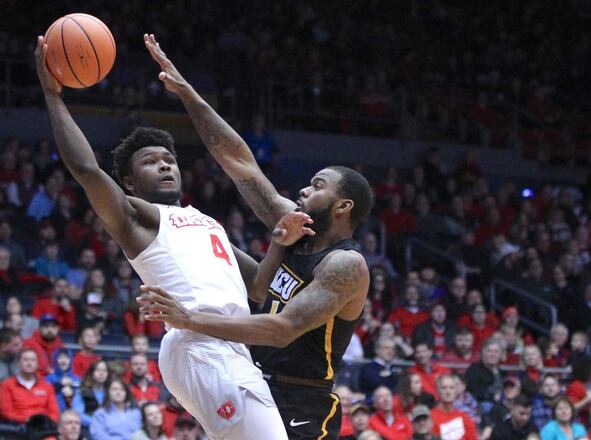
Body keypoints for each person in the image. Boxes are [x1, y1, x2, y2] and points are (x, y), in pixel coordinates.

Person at [35, 34, 293, 440]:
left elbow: (259, 286)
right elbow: (86, 171)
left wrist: (280, 237)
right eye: (150, 162)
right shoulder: (141, 218)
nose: (165, 166)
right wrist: (53, 97)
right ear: (129, 181)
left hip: (228, 344)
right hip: (199, 342)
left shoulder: (206, 222)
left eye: (169, 159)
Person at [137, 35, 374, 440]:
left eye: (317, 186)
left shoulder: (345, 265)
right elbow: (241, 164)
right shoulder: (296, 226)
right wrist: (189, 93)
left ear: (343, 207)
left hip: (304, 402)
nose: (303, 191)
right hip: (251, 378)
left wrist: (189, 318)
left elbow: (283, 328)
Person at [431, 374, 477, 440]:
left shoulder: (464, 418)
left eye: (451, 388)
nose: (448, 391)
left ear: (455, 391)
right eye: (444, 388)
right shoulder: (431, 417)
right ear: (437, 391)